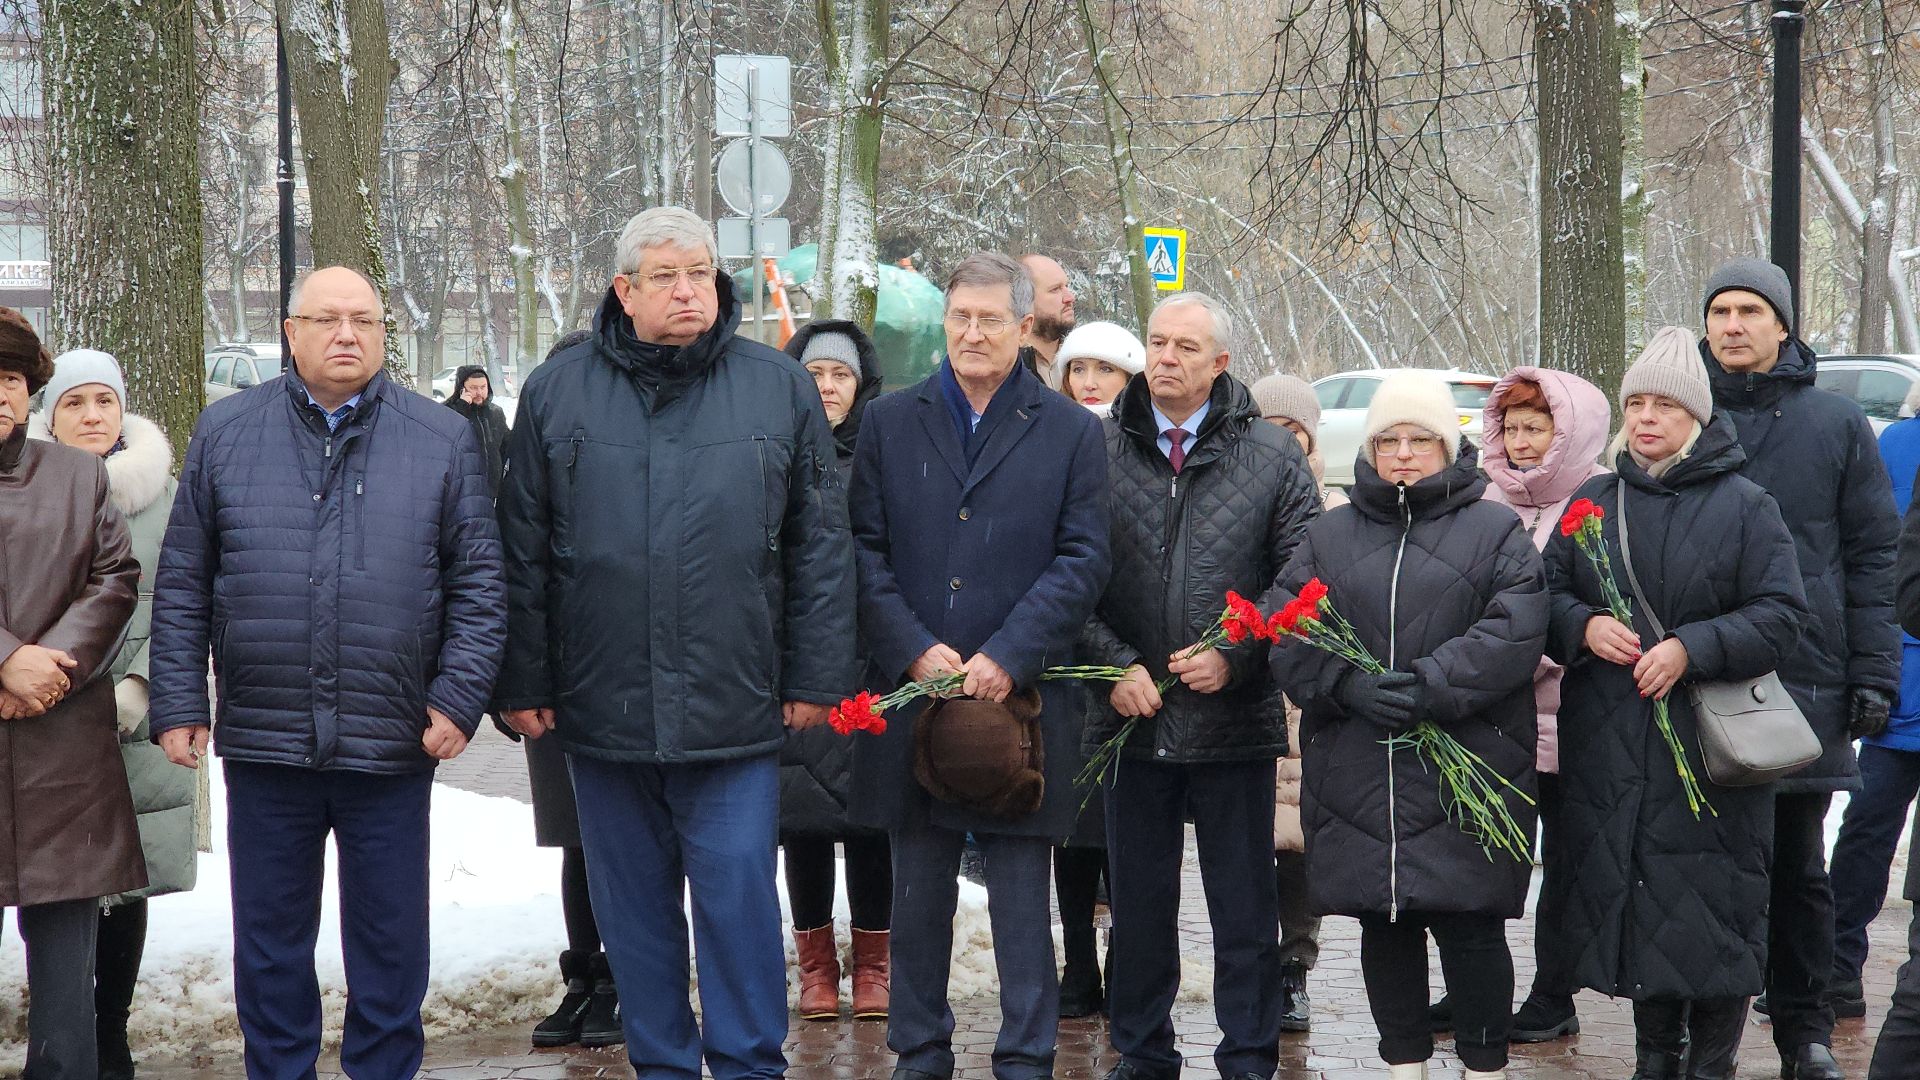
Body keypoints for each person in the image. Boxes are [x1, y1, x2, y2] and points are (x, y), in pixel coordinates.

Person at [494, 207, 856, 1079]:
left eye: (700, 273)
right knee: (634, 916)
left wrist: (816, 674)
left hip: (732, 707)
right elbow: (524, 549)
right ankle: (660, 1063)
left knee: (735, 904)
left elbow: (819, 544)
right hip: (603, 706)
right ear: (625, 290)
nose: (689, 290)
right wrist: (523, 679)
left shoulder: (777, 386)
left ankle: (747, 1066)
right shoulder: (558, 391)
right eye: (666, 276)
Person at [149, 266, 507, 1079]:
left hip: (393, 742)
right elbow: (182, 581)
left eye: (365, 322)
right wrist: (177, 699)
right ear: (290, 330)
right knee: (270, 943)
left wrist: (456, 698)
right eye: (328, 319)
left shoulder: (440, 437)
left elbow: (482, 587)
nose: (347, 334)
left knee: (389, 943)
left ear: (385, 336)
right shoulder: (226, 432)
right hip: (268, 743)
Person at [849, 251, 1110, 1080]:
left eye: (990, 318)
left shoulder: (1069, 430)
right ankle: (918, 1052)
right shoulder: (891, 421)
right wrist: (912, 647)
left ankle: (1026, 1056)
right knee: (917, 887)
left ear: (1024, 324)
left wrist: (1008, 653)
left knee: (1021, 895)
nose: (971, 332)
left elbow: (1083, 557)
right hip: (915, 691)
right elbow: (860, 548)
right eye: (960, 316)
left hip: (1022, 701)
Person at [1543, 326, 1808, 1080]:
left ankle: (1712, 1065)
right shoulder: (1593, 500)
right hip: (1614, 747)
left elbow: (1783, 614)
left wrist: (1693, 647)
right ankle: (1653, 1060)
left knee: (1715, 919)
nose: (1648, 417)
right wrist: (1583, 625)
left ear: (1696, 417)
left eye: (1665, 404)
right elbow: (1546, 594)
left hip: (1709, 755)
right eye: (1636, 403)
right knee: (1638, 912)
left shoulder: (1747, 505)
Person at [1270, 370, 1547, 1080]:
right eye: (1387, 439)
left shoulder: (1494, 529)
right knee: (1383, 922)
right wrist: (1346, 684)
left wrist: (1430, 685)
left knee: (1472, 925)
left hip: (1471, 762)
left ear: (1447, 444)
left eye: (1418, 438)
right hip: (1364, 768)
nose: (1401, 452)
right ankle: (1404, 1066)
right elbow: (1288, 632)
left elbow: (1515, 630)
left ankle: (1485, 1064)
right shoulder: (1329, 536)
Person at [1084, 293, 1320, 1080]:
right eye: (1157, 342)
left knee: (1243, 907)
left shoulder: (1271, 457)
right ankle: (1143, 1053)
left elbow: (1302, 573)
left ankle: (1248, 1056)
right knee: (1141, 907)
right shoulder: (1095, 449)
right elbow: (1064, 572)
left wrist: (1237, 651)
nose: (1166, 358)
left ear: (1221, 362)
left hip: (1233, 717)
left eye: (1187, 347)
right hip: (1131, 716)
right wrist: (1113, 664)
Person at [1699, 258, 1900, 1080]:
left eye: (1751, 311)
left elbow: (1872, 552)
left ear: (1784, 326)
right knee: (1705, 866)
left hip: (1805, 675)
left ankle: (1804, 1030)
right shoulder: (1682, 413)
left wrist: (1872, 672)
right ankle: (1695, 1031)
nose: (1734, 325)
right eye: (1721, 311)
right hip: (1698, 670)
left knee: (1797, 869)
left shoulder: (1835, 423)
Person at [31, 349, 207, 1080]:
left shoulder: (163, 495)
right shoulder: (27, 487)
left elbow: (186, 598)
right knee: (52, 880)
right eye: (76, 403)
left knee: (124, 880)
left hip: (135, 715)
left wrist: (145, 685)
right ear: (52, 415)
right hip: (43, 713)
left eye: (105, 400)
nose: (93, 415)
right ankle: (60, 1030)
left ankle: (111, 1031)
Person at [1425, 368, 1610, 1043]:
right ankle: (1472, 985)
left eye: (1539, 428)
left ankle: (1551, 993)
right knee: (1476, 858)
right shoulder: (1484, 502)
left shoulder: (1596, 503)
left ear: (1570, 434)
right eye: (1514, 427)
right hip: (1489, 720)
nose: (1524, 442)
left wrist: (1524, 654)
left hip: (1570, 719)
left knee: (1562, 865)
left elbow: (1590, 604)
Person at [0, 309, 144, 1079]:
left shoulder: (78, 475)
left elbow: (116, 579)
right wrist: (7, 661)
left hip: (63, 751)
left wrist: (48, 666)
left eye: (11, 379)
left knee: (66, 980)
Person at [494, 328, 624, 1051]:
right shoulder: (532, 464)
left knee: (631, 840)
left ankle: (626, 979)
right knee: (581, 839)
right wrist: (519, 680)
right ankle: (587, 977)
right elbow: (513, 570)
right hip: (558, 680)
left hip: (624, 675)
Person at [781, 318, 892, 1021]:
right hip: (797, 661)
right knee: (805, 818)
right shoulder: (779, 451)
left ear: (862, 384)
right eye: (815, 374)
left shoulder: (882, 455)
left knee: (874, 819)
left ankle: (876, 966)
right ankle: (817, 966)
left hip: (873, 660)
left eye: (841, 375)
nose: (827, 387)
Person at [1044, 316, 1144, 1016]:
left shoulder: (1137, 449)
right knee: (1072, 829)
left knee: (1126, 829)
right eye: (1078, 370)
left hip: (1130, 661)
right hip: (1061, 659)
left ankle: (1126, 962)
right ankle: (1078, 962)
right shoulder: (1047, 440)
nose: (1087, 382)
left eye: (1102, 371)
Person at [1248, 371, 1349, 1033]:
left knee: (1300, 847)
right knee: (1247, 840)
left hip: (1308, 696)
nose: (1284, 442)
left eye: (1295, 430)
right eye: (1272, 428)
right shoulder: (1236, 491)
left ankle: (1293, 970)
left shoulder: (1337, 508)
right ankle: (1253, 964)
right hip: (1248, 685)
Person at [1827, 379, 1920, 1022]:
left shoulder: (1898, 440)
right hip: (1904, 682)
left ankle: (1850, 975)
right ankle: (1833, 972)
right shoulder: (1899, 442)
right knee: (1866, 830)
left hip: (1900, 673)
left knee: (1865, 832)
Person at [444, 364, 512, 497]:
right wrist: (462, 407)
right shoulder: (448, 411)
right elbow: (446, 438)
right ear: (462, 389)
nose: (479, 393)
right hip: (461, 491)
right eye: (474, 388)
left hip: (492, 490)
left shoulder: (495, 413)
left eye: (483, 387)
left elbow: (507, 447)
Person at [1053, 320, 1145, 417]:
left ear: (1130, 379)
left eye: (1105, 369)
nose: (1089, 384)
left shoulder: (1156, 429)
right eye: (1078, 369)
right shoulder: (1047, 427)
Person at [1018, 253, 1076, 385]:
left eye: (1067, 286)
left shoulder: (1084, 358)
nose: (1070, 297)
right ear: (1025, 299)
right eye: (1055, 289)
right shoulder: (1005, 368)